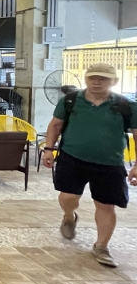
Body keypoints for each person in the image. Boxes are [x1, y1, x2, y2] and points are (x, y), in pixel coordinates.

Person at [42, 63, 137, 268]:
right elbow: (55, 125)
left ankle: (101, 246)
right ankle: (69, 216)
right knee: (68, 196)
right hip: (72, 157)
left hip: (110, 162)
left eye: (103, 78)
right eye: (92, 77)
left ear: (114, 81)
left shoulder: (126, 105)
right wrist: (48, 149)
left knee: (106, 205)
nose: (97, 82)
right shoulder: (71, 100)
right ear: (85, 79)